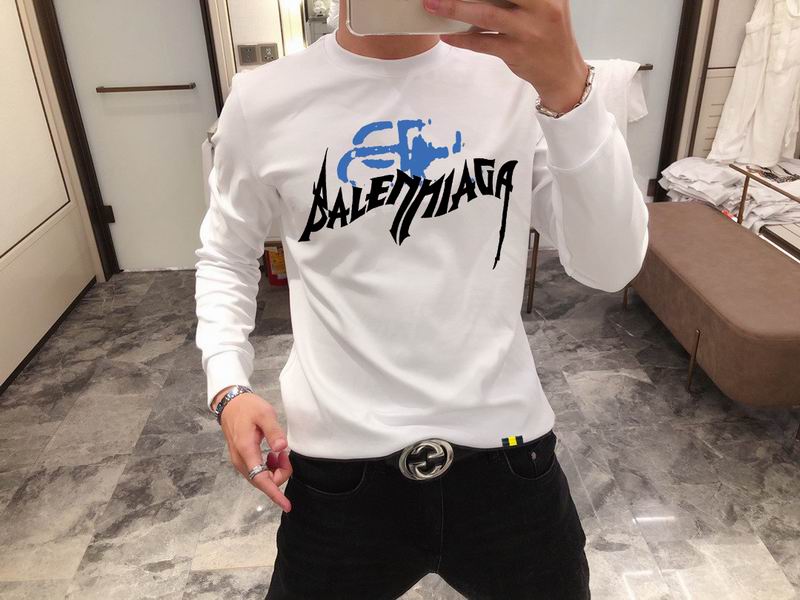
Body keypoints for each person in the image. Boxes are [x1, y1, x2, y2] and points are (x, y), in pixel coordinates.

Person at [194, 0, 649, 597]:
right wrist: (227, 385)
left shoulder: (518, 80)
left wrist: (569, 91)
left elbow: (610, 266)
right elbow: (227, 253)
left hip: (507, 455)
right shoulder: (263, 99)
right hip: (338, 469)